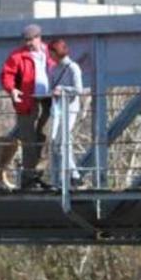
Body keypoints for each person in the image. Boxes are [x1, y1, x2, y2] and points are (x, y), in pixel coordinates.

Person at [0, 23, 54, 189]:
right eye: (26, 40)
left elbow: (61, 67)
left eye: (31, 39)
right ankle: (28, 179)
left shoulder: (50, 52)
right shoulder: (18, 56)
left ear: (39, 38)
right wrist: (12, 89)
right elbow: (6, 75)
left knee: (44, 137)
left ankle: (38, 175)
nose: (29, 43)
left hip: (48, 100)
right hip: (27, 101)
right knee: (28, 139)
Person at [48, 39, 84, 189]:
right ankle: (65, 178)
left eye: (51, 52)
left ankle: (74, 176)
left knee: (61, 143)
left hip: (70, 109)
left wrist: (62, 89)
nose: (50, 55)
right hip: (58, 109)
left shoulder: (73, 67)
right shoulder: (54, 69)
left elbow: (78, 89)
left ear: (56, 52)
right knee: (57, 143)